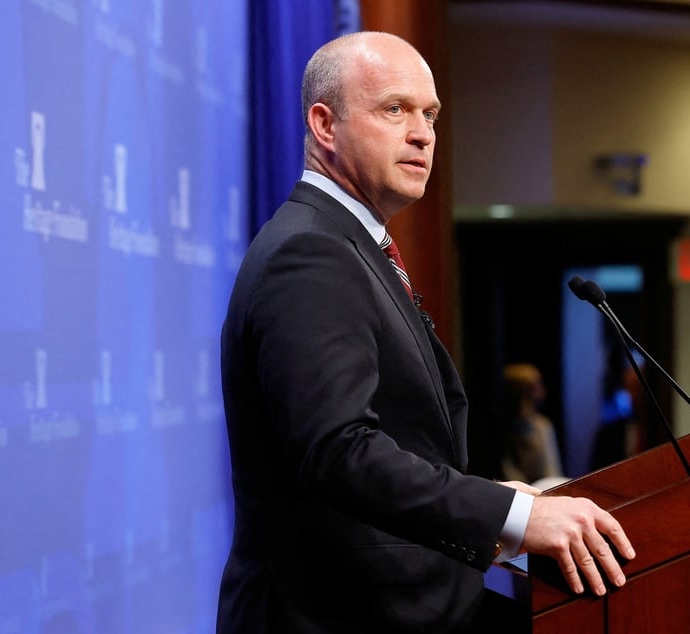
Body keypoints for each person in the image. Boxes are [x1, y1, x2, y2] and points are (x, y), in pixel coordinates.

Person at [217, 31, 635, 633]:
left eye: (430, 114)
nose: (422, 134)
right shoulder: (312, 253)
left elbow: (375, 442)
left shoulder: (344, 244)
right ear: (324, 125)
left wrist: (484, 493)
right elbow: (338, 452)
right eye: (395, 109)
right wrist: (512, 516)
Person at [500, 363, 567, 489]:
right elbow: (508, 472)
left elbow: (551, 471)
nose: (541, 393)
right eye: (533, 387)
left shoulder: (542, 426)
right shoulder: (503, 430)